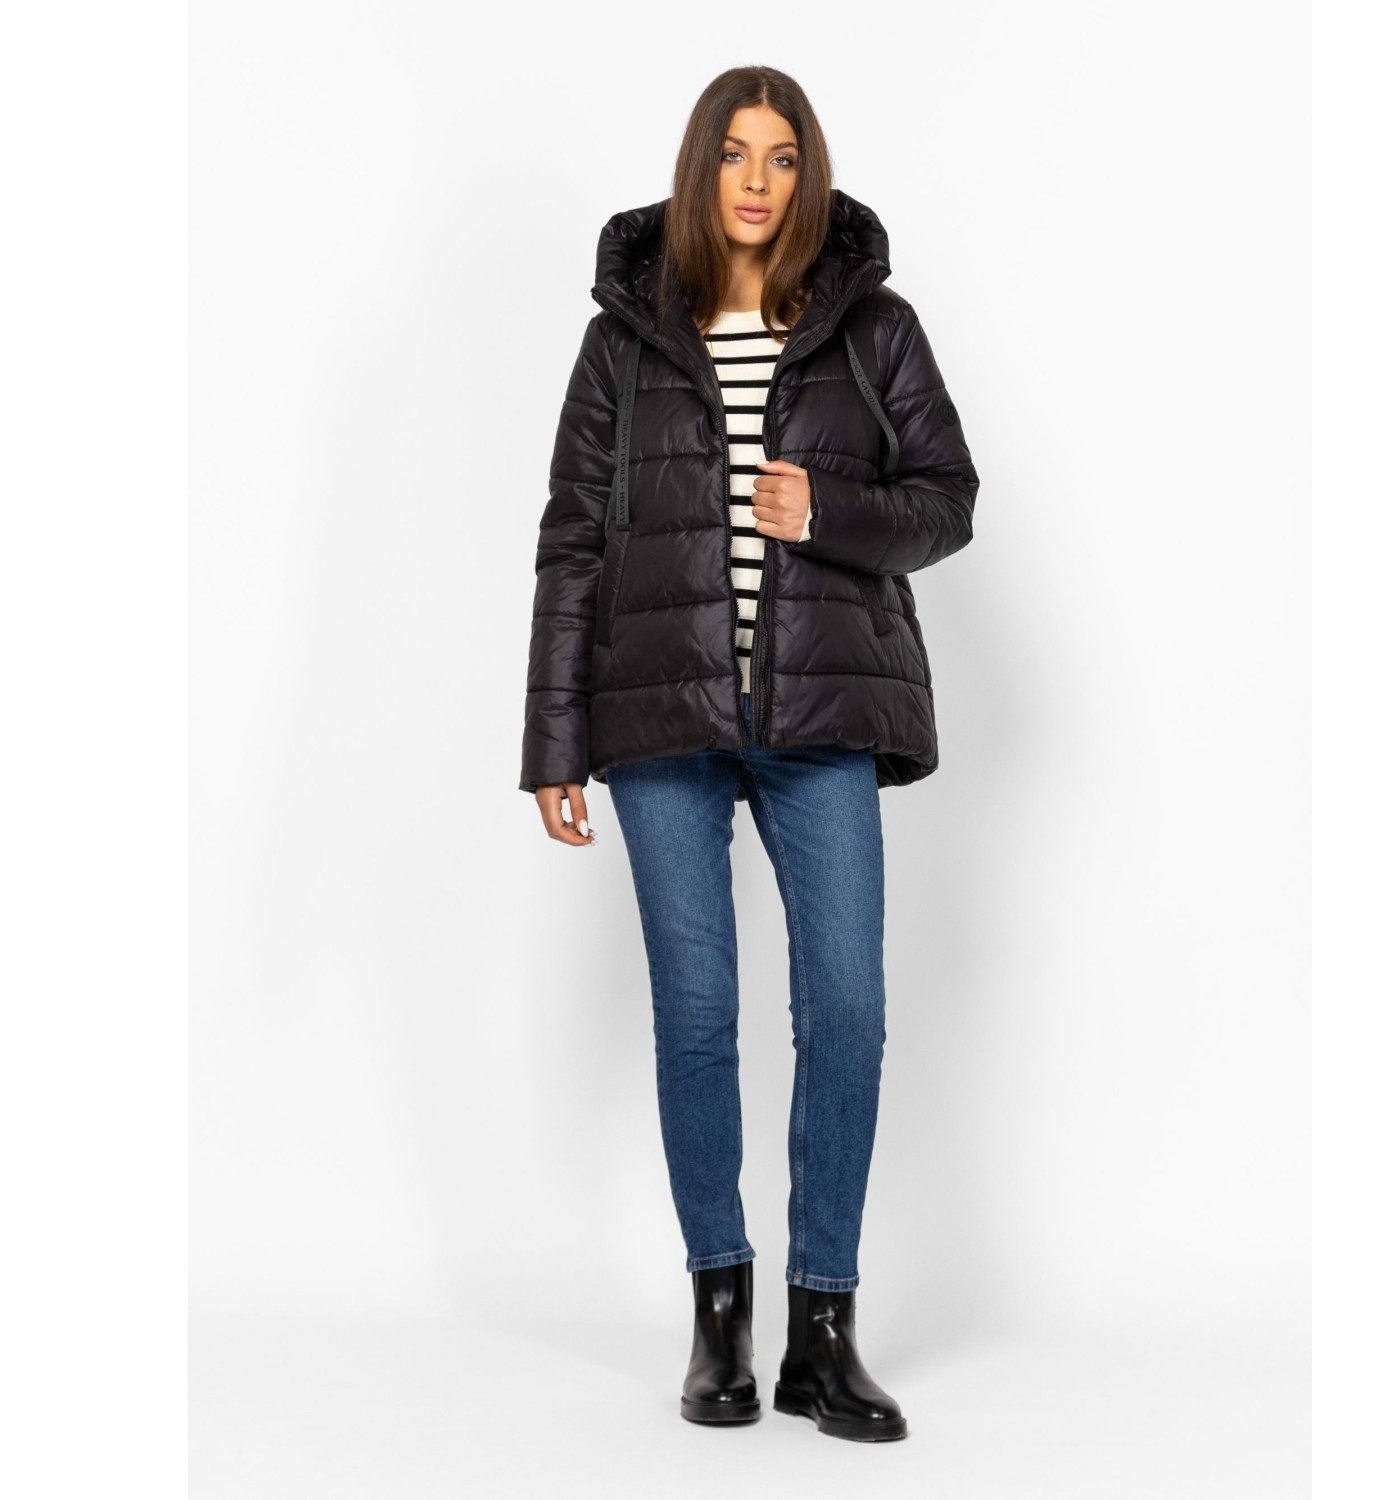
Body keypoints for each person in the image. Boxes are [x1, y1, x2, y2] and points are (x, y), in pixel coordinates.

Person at [520, 64, 979, 1442]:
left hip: (822, 712)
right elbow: (573, 539)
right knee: (697, 1015)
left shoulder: (872, 327)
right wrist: (554, 741)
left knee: (847, 1009)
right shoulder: (624, 339)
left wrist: (825, 509)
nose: (760, 181)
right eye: (736, 154)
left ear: (807, 173)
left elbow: (946, 500)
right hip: (659, 718)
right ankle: (719, 1317)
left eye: (783, 156)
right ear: (700, 168)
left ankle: (822, 1331)